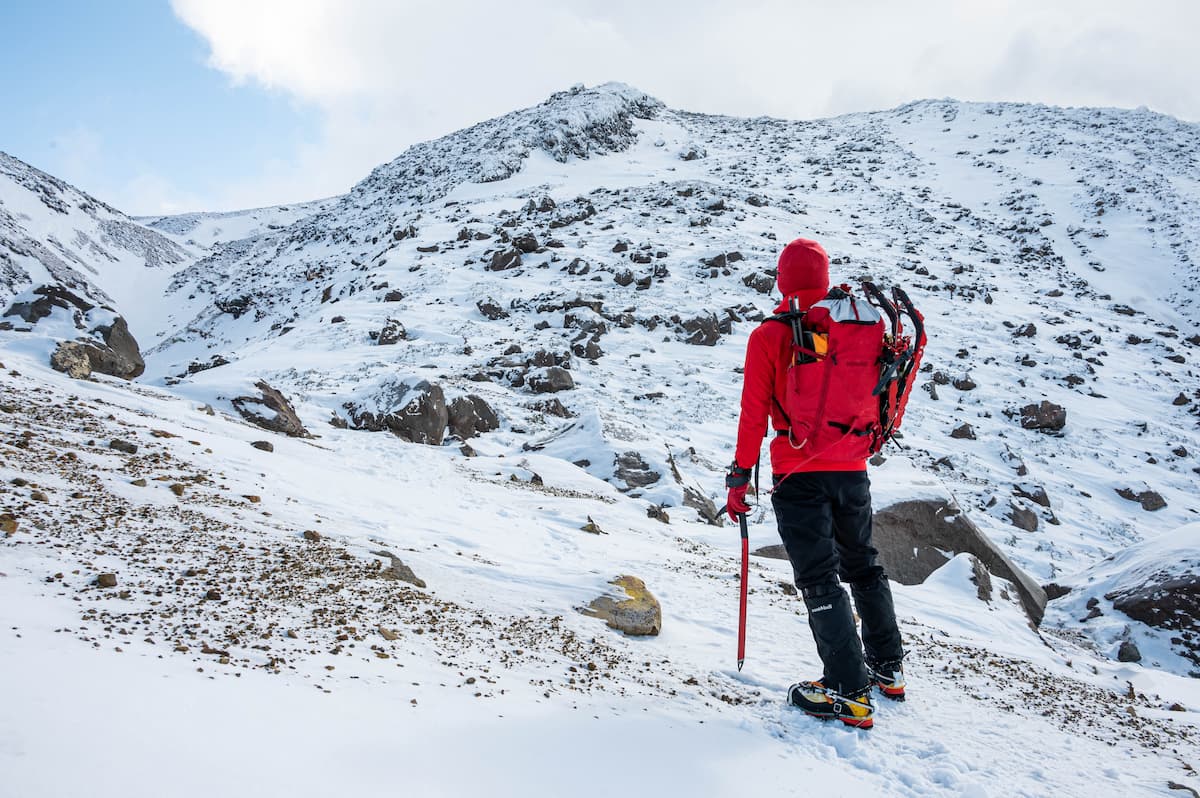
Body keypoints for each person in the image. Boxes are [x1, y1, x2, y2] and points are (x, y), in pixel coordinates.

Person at [725, 237, 905, 730]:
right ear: (824, 279)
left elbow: (752, 415)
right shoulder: (853, 329)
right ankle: (887, 670)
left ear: (782, 280)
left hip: (798, 472)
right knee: (863, 564)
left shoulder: (770, 335)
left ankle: (848, 691)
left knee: (819, 577)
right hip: (852, 468)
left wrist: (740, 478)